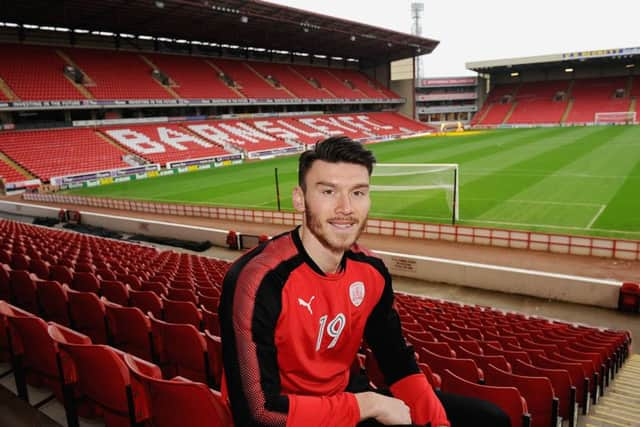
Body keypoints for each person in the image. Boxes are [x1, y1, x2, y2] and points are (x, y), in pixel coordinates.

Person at [219, 136, 510, 427]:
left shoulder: (371, 271)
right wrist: (368, 405)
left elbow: (396, 360)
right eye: (329, 191)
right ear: (299, 198)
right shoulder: (257, 281)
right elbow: (258, 414)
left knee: (491, 419)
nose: (346, 208)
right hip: (291, 414)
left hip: (342, 398)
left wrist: (434, 422)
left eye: (358, 193)